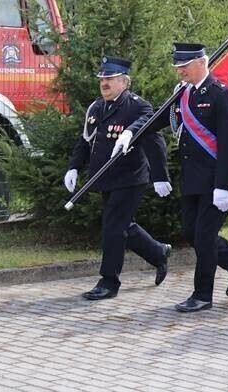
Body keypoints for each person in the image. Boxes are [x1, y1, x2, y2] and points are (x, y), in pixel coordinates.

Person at [128, 43, 228, 313]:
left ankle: (202, 294)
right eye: (177, 67)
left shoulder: (221, 94)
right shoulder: (182, 94)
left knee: (205, 237)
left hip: (214, 180)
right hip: (192, 179)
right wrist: (131, 133)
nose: (180, 71)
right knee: (190, 232)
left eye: (184, 66)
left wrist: (223, 185)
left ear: (202, 62)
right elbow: (155, 120)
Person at [64, 56, 173, 300]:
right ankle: (158, 253)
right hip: (105, 178)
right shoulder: (96, 107)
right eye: (102, 78)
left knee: (113, 227)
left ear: (124, 82)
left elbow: (153, 130)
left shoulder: (137, 106)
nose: (104, 83)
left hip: (130, 178)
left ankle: (109, 281)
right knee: (123, 226)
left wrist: (159, 174)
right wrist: (73, 167)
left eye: (110, 78)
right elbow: (85, 141)